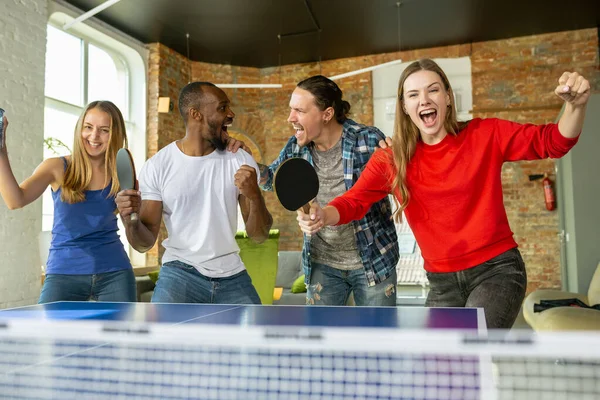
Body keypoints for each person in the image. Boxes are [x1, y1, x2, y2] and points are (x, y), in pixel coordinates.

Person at [297, 59, 588, 328]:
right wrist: (323, 214)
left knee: (470, 349)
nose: (424, 99)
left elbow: (553, 141)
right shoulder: (392, 159)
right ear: (405, 106)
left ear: (447, 97)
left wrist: (576, 107)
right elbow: (353, 201)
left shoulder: (486, 135)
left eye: (433, 90)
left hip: (496, 272)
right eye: (413, 95)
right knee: (439, 369)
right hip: (442, 283)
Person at [116, 82, 272, 304]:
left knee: (258, 336)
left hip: (231, 275)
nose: (231, 114)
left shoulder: (240, 160)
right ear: (195, 114)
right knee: (162, 337)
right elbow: (144, 243)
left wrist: (255, 195)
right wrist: (129, 221)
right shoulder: (158, 165)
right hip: (179, 273)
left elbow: (259, 235)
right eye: (222, 108)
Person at [259, 75, 399, 306]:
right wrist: (248, 165)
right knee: (319, 339)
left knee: (378, 339)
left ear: (327, 114)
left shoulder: (368, 140)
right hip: (322, 264)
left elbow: (400, 183)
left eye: (299, 111)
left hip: (373, 261)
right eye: (291, 110)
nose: (290, 118)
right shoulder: (295, 146)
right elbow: (271, 178)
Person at [0, 101, 136, 303]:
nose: (94, 136)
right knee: (50, 334)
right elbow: (15, 200)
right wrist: (1, 149)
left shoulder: (120, 173)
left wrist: (134, 212)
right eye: (88, 127)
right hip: (63, 273)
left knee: (121, 335)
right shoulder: (56, 167)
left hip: (115, 273)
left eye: (104, 130)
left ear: (115, 134)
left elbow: (134, 230)